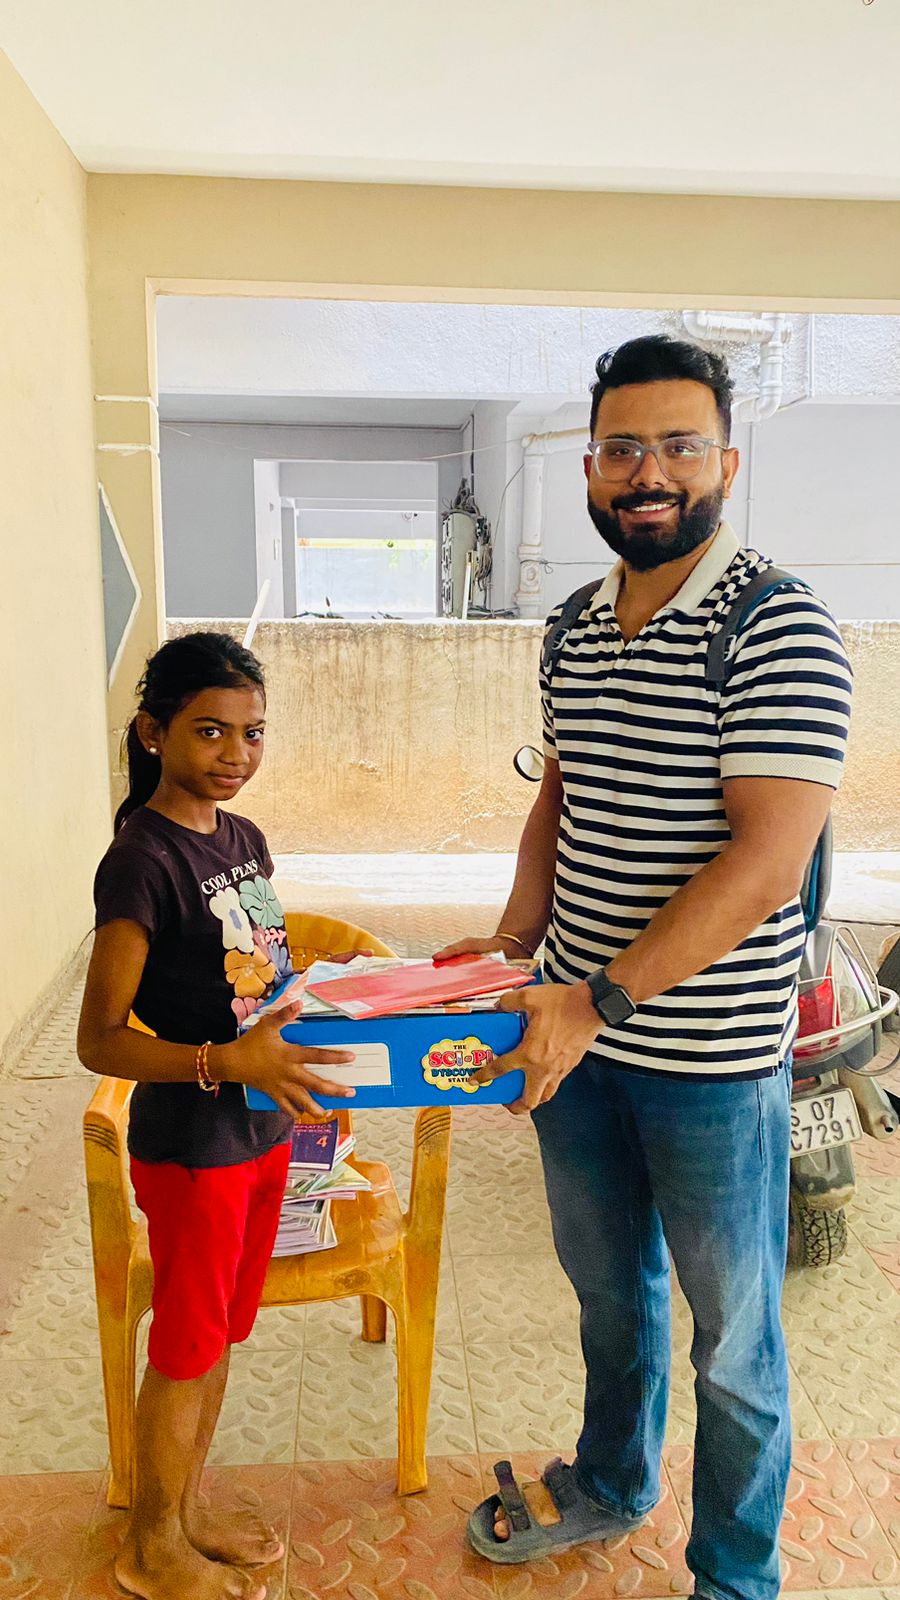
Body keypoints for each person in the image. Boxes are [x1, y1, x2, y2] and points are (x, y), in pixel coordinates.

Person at [440, 336, 853, 1600]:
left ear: (726, 461)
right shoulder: (572, 625)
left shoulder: (775, 622)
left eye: (678, 446)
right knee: (608, 1291)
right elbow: (562, 799)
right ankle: (614, 1482)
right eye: (622, 448)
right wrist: (515, 942)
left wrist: (597, 995)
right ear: (589, 468)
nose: (648, 472)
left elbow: (766, 864)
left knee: (735, 1340)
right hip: (574, 1041)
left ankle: (735, 1573)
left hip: (707, 1062)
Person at [78, 632, 357, 1600]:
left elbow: (257, 978)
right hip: (193, 1148)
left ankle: (187, 1505)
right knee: (186, 1345)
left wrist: (326, 1015)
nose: (235, 752)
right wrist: (224, 1061)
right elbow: (101, 1039)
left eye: (252, 732)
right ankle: (152, 1542)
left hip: (261, 1131)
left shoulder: (242, 841)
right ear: (155, 733)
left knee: (221, 1334)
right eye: (209, 730)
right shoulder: (140, 862)